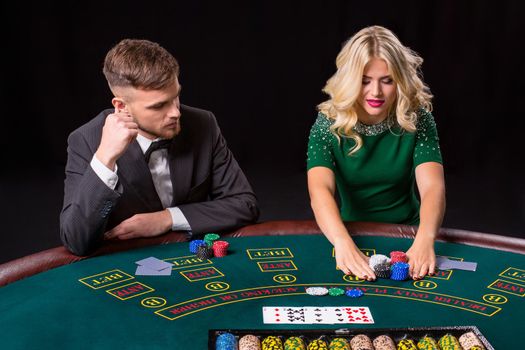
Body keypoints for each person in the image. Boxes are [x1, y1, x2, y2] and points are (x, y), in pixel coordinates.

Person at [60, 39, 259, 256]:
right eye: (159, 106)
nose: (175, 112)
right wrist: (105, 158)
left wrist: (167, 218)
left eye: (176, 97)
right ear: (121, 106)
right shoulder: (86, 140)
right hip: (125, 269)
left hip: (193, 260)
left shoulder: (203, 124)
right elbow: (77, 241)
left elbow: (245, 204)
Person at [307, 26, 445, 281]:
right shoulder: (328, 124)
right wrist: (342, 243)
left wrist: (426, 238)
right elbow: (319, 192)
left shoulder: (417, 118)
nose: (376, 92)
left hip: (410, 233)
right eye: (364, 80)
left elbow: (432, 187)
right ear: (350, 79)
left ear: (400, 80)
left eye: (387, 80)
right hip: (350, 233)